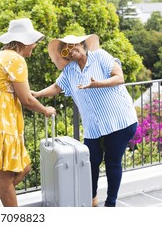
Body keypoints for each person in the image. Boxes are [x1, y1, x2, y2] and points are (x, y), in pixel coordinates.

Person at [32, 34, 138, 207]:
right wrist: (37, 94)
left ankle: (110, 204)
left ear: (82, 44)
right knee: (91, 162)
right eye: (65, 49)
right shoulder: (70, 70)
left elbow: (119, 77)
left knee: (112, 162)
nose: (70, 50)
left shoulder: (100, 56)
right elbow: (57, 87)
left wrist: (98, 84)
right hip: (94, 127)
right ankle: (91, 198)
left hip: (119, 121)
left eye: (73, 45)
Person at [0, 18, 57, 207]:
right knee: (6, 176)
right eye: (33, 42)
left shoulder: (1, 55)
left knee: (23, 168)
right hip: (0, 117)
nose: (34, 46)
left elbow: (17, 91)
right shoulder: (16, 59)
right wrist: (45, 110)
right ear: (23, 42)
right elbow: (26, 99)